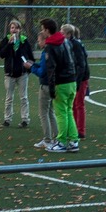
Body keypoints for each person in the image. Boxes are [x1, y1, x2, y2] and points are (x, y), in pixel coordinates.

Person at [39, 17, 79, 152]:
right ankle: (74, 140)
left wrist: (51, 88)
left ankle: (61, 142)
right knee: (69, 111)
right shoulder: (66, 42)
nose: (42, 32)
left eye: (42, 29)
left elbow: (51, 69)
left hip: (61, 83)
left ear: (46, 30)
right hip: (71, 81)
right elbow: (73, 61)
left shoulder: (51, 46)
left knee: (61, 113)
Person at [0, 19, 34, 128]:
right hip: (10, 74)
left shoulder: (24, 41)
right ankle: (7, 119)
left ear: (19, 30)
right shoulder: (6, 40)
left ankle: (25, 119)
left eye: (16, 28)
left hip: (22, 74)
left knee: (24, 98)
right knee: (9, 98)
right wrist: (9, 44)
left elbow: (31, 57)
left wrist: (28, 68)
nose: (14, 30)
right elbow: (1, 54)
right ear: (10, 30)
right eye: (12, 28)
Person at [63, 23, 90, 139]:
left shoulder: (76, 45)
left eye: (62, 32)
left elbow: (81, 64)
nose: (60, 34)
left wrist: (78, 81)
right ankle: (73, 128)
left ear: (68, 34)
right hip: (72, 77)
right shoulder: (67, 44)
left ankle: (81, 130)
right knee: (72, 104)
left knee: (79, 104)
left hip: (80, 78)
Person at [29, 47, 59, 150]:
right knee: (51, 112)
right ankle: (56, 137)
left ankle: (47, 139)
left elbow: (42, 72)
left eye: (39, 40)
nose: (38, 42)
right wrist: (33, 64)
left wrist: (31, 68)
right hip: (53, 85)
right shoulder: (53, 50)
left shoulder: (46, 52)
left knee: (43, 113)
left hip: (46, 85)